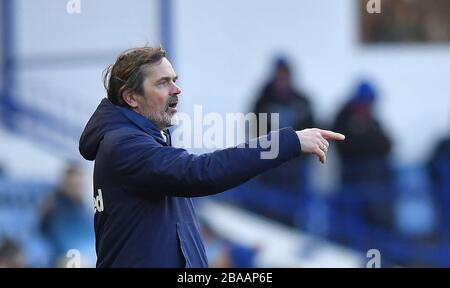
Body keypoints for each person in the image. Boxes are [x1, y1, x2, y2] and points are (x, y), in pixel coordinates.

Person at [79, 46, 345, 268]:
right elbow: (202, 173)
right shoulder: (124, 146)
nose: (176, 89)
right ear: (131, 98)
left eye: (174, 79)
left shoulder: (147, 140)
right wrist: (287, 142)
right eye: (163, 83)